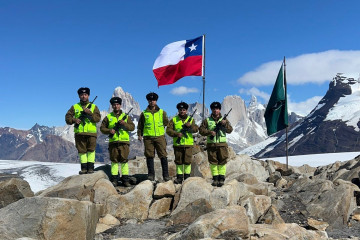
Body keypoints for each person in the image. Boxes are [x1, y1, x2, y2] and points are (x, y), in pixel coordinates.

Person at [100, 97, 135, 187]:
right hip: (113, 142)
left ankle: (125, 180)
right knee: (114, 161)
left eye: (117, 104)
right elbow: (102, 128)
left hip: (124, 142)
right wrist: (109, 131)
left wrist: (124, 124)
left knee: (124, 161)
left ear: (120, 105)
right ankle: (114, 179)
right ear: (112, 106)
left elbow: (132, 127)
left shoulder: (126, 117)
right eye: (114, 105)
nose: (116, 106)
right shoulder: (108, 117)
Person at [65, 87, 101, 174]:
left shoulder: (94, 107)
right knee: (82, 151)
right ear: (79, 96)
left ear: (88, 95)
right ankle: (84, 169)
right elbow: (67, 118)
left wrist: (90, 113)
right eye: (81, 95)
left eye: (85, 94)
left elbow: (98, 118)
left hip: (91, 133)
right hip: (79, 133)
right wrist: (74, 120)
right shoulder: (74, 107)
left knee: (91, 150)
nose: (83, 96)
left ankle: (91, 168)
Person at [137, 92, 170, 181]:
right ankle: (151, 175)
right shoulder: (144, 113)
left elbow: (166, 122)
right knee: (149, 156)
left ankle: (166, 175)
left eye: (154, 100)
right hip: (148, 138)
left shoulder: (162, 112)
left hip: (160, 137)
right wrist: (139, 134)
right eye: (150, 100)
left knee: (163, 155)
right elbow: (140, 125)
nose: (152, 102)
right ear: (148, 101)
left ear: (156, 101)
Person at [199, 101, 233, 187]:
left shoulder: (224, 120)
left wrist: (225, 125)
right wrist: (209, 132)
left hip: (222, 144)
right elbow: (201, 130)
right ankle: (215, 178)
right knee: (213, 162)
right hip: (211, 144)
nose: (215, 110)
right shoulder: (207, 120)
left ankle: (221, 178)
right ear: (211, 110)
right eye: (214, 109)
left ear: (220, 110)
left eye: (217, 109)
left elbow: (230, 130)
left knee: (222, 161)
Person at [166, 102, 198, 184]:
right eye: (180, 110)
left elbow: (196, 129)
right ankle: (179, 177)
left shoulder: (191, 120)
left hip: (188, 144)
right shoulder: (174, 120)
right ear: (178, 110)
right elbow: (168, 130)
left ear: (186, 110)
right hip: (178, 145)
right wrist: (177, 134)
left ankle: (187, 177)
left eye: (184, 110)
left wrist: (190, 126)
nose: (182, 111)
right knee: (179, 161)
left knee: (187, 161)